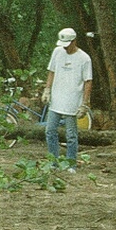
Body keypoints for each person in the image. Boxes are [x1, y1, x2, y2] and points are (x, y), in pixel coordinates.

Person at [43, 28, 93, 171]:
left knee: (71, 134)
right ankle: (53, 161)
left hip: (72, 100)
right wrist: (47, 89)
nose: (65, 47)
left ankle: (71, 163)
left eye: (67, 44)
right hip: (57, 99)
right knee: (50, 130)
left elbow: (88, 81)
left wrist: (84, 103)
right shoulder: (57, 52)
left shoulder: (84, 58)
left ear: (74, 41)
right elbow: (51, 71)